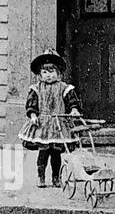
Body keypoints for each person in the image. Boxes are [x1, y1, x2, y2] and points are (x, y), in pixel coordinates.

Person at [19, 49, 82, 187]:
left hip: (59, 125)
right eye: (45, 72)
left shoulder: (64, 88)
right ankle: (41, 177)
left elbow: (72, 101)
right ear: (40, 75)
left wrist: (74, 110)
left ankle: (56, 178)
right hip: (42, 125)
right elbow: (31, 104)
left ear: (58, 72)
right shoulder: (36, 88)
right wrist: (33, 115)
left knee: (56, 153)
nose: (48, 75)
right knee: (43, 152)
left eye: (52, 71)